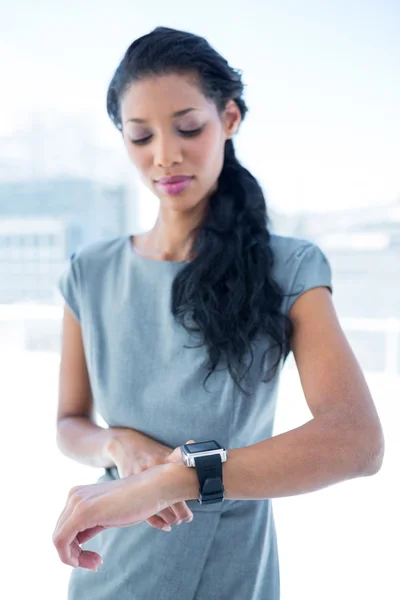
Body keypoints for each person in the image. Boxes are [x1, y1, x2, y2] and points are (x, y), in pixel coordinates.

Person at [52, 26, 385, 600]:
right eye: (140, 136)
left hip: (227, 572)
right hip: (112, 565)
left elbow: (357, 441)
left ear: (229, 118)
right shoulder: (91, 270)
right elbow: (69, 424)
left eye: (188, 127)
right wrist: (118, 445)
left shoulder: (291, 267)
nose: (165, 156)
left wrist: (176, 479)